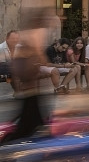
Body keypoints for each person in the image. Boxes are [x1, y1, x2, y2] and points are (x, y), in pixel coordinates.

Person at [0, 13, 53, 145]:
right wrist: (42, 60)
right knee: (28, 116)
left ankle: (30, 133)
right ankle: (12, 142)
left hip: (29, 85)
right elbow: (38, 54)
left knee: (31, 113)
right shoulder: (36, 33)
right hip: (30, 83)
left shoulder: (29, 35)